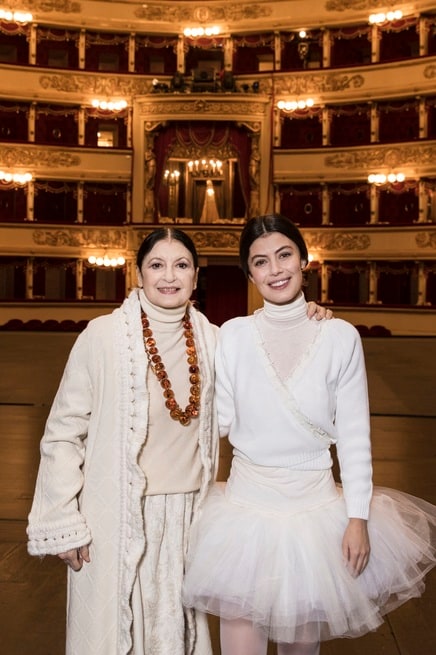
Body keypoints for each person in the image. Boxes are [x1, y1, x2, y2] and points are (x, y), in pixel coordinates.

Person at [26, 226, 330, 655]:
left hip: (192, 520)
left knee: (180, 639)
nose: (169, 276)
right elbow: (62, 433)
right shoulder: (102, 337)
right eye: (156, 265)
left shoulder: (214, 339)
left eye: (181, 265)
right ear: (138, 275)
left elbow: (271, 366)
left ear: (195, 275)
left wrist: (309, 316)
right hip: (115, 517)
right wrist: (63, 521)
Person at [183, 214, 436, 655]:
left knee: (302, 648)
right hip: (244, 510)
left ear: (304, 260)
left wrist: (357, 517)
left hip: (315, 514)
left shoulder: (340, 337)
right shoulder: (233, 336)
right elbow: (215, 421)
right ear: (249, 273)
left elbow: (356, 437)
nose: (275, 269)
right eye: (261, 262)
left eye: (284, 255)